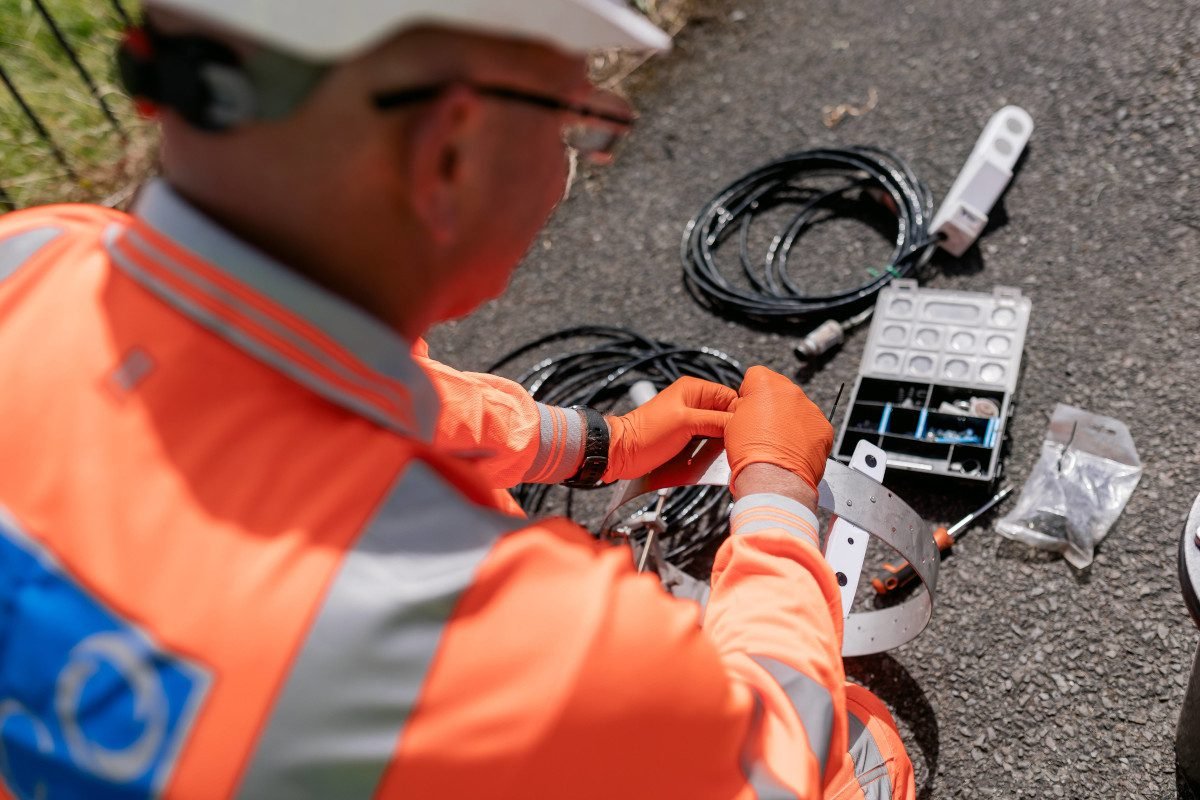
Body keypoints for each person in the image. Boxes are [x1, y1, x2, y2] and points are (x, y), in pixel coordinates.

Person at [0, 1, 915, 797]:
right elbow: (767, 761)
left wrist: (599, 443)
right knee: (858, 746)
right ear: (449, 154)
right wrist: (776, 503)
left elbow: (351, 389)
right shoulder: (482, 635)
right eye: (570, 123)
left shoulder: (35, 259)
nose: (571, 162)